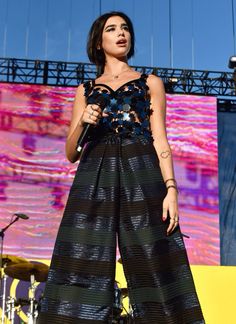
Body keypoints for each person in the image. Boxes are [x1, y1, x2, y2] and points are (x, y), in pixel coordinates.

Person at [38, 11, 205, 324]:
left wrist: (171, 189)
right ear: (99, 42)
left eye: (125, 28)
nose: (121, 33)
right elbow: (70, 152)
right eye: (112, 29)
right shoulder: (86, 89)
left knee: (155, 255)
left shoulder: (149, 82)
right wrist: (82, 124)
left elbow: (161, 139)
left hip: (139, 167)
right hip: (95, 171)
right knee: (82, 256)